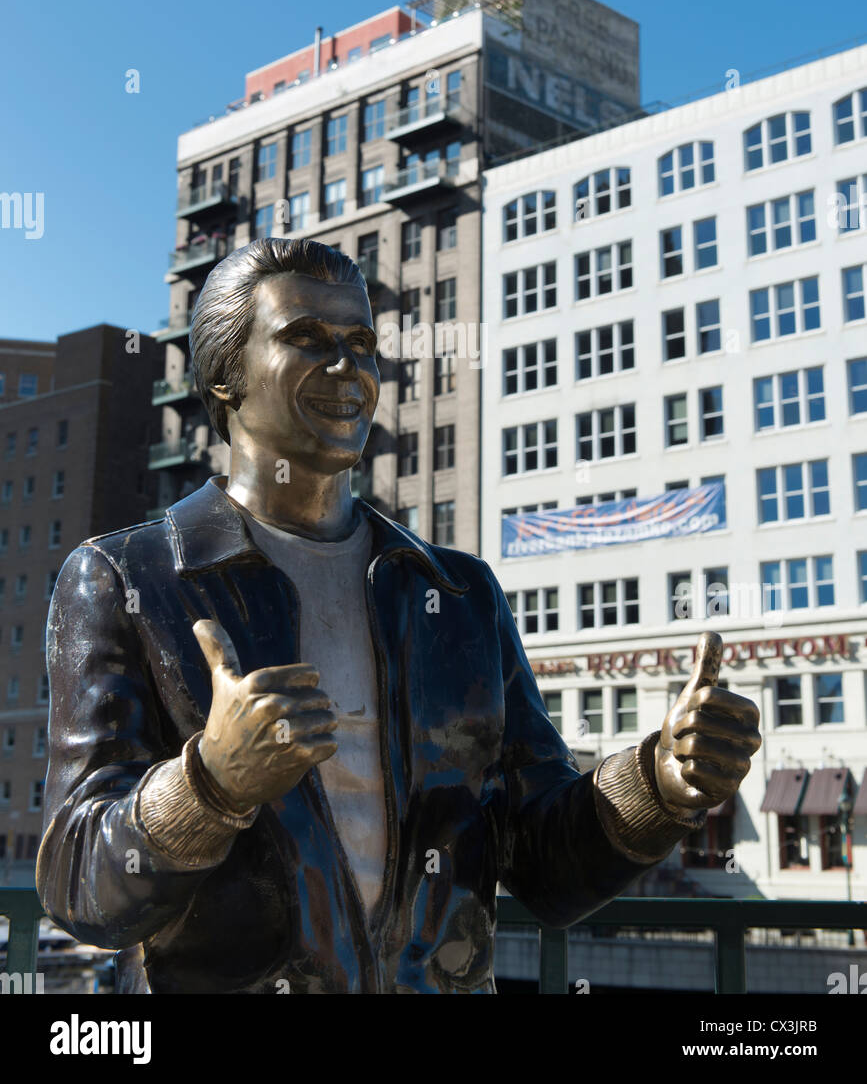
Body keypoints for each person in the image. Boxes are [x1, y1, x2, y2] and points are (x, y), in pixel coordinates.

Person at [36, 238, 760, 993]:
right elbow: (77, 885)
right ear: (224, 376)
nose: (347, 368)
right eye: (306, 339)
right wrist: (209, 787)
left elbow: (542, 859)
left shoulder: (459, 594)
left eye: (361, 345)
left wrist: (661, 782)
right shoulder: (127, 578)